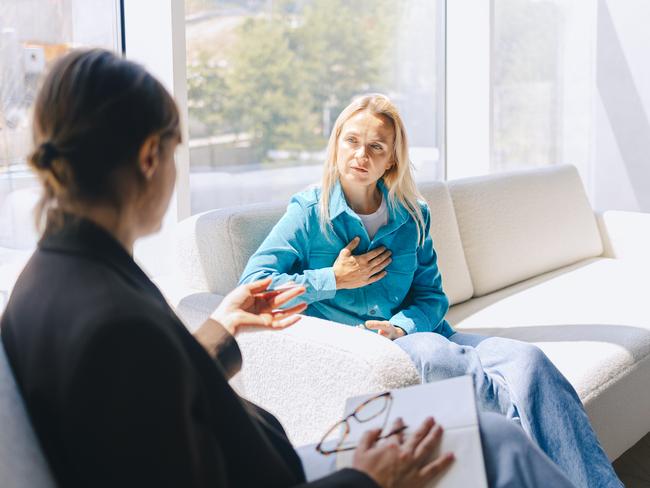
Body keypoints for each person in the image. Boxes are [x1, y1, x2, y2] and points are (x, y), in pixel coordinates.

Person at [0, 50, 574, 488]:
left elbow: (154, 389)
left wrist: (221, 330)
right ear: (150, 157)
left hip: (278, 456)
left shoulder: (65, 278)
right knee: (493, 441)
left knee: (498, 411)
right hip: (294, 472)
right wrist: (365, 478)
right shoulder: (109, 320)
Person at [239, 94, 622, 488]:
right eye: (351, 141)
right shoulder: (307, 213)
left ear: (391, 159)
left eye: (376, 146)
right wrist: (333, 279)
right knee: (433, 354)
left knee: (528, 360)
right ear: (336, 143)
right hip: (365, 350)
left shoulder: (411, 215)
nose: (361, 155)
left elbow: (432, 297)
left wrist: (402, 327)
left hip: (418, 333)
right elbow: (253, 286)